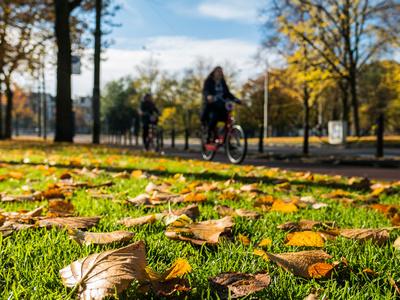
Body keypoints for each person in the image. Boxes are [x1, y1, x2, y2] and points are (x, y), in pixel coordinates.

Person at [200, 66, 241, 145]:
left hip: (222, 105)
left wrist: (237, 100)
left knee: (228, 120)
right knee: (213, 117)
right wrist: (208, 96)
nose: (220, 73)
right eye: (218, 71)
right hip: (211, 106)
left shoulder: (222, 82)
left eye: (221, 72)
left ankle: (227, 142)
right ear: (214, 73)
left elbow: (227, 93)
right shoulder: (208, 81)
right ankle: (208, 135)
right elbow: (205, 91)